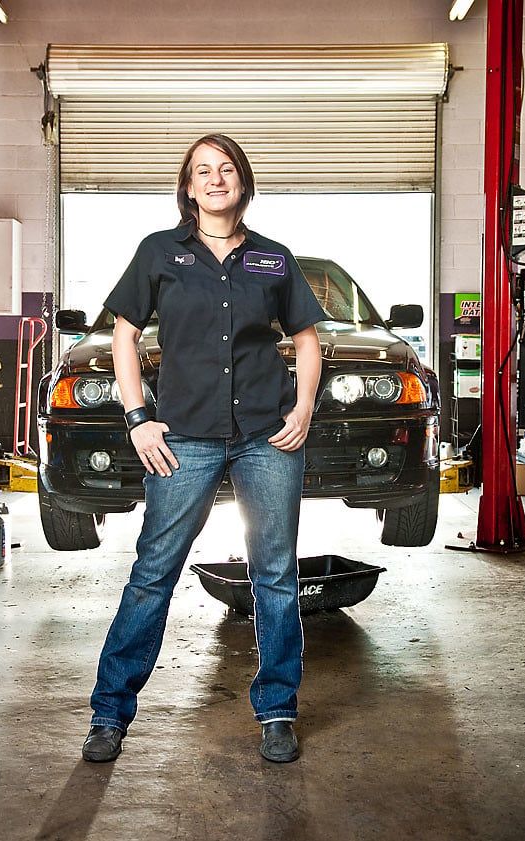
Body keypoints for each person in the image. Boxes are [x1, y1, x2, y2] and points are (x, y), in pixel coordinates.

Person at [82, 134, 327, 764]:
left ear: (243, 182)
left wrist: (302, 408)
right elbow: (124, 337)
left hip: (267, 437)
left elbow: (306, 340)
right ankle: (109, 713)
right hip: (183, 437)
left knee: (275, 575)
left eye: (226, 169)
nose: (216, 179)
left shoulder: (273, 258)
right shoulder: (158, 252)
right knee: (153, 573)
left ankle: (277, 710)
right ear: (188, 188)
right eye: (202, 171)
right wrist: (138, 418)